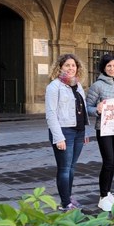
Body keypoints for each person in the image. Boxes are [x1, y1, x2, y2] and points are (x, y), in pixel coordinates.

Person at [45, 53, 89, 211]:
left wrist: (84, 132)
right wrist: (58, 138)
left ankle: (68, 197)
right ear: (60, 67)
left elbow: (81, 111)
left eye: (73, 65)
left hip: (78, 132)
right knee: (64, 168)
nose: (71, 68)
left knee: (71, 167)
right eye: (67, 65)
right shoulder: (54, 87)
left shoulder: (77, 85)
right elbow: (50, 114)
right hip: (63, 132)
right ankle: (65, 204)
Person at [86, 54, 114, 211]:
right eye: (109, 66)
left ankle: (108, 192)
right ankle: (103, 196)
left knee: (113, 161)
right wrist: (96, 109)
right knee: (108, 161)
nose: (112, 68)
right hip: (103, 128)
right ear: (104, 68)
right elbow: (87, 107)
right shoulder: (97, 86)